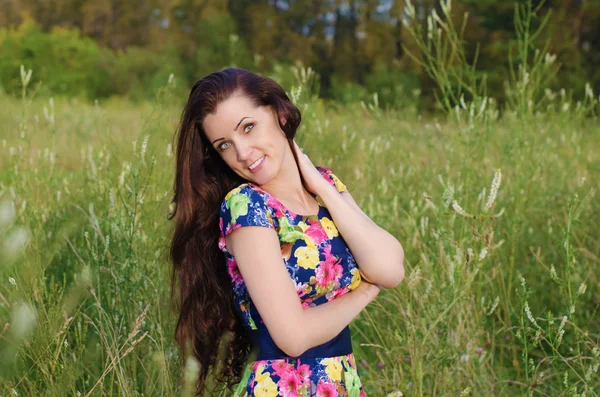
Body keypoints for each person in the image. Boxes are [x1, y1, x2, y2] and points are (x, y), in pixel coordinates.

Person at [168, 67, 405, 396]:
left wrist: (319, 183)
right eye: (224, 145)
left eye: (248, 128)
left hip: (339, 383)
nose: (242, 153)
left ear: (278, 113)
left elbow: (390, 268)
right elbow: (292, 337)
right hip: (282, 387)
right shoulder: (247, 206)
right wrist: (364, 292)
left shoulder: (325, 187)